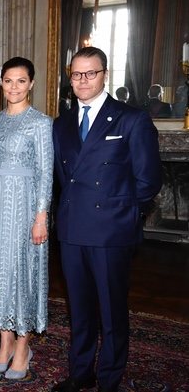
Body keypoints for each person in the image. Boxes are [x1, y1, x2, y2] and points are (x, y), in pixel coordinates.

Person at [52, 46, 162, 392]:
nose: (83, 81)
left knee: (112, 311)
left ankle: (109, 379)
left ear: (105, 75)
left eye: (90, 73)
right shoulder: (62, 123)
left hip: (111, 231)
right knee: (80, 309)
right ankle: (80, 371)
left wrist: (124, 215)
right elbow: (60, 177)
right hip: (71, 231)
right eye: (76, 74)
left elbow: (148, 181)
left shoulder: (131, 118)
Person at [0, 57, 53, 380]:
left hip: (25, 209)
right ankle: (4, 345)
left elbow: (46, 173)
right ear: (0, 84)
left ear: (31, 83)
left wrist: (41, 217)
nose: (14, 87)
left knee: (22, 276)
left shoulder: (41, 123)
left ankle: (23, 347)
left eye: (21, 81)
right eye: (8, 81)